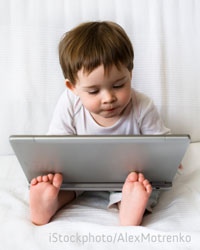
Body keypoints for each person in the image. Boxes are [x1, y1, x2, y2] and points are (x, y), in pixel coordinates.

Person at [30, 21, 171, 226]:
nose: (108, 98)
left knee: (146, 186)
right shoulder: (69, 104)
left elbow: (162, 144)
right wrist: (53, 174)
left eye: (118, 85)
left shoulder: (142, 106)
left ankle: (129, 206)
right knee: (60, 183)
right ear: (73, 87)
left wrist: (169, 157)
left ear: (130, 74)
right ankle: (50, 202)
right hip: (81, 176)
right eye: (94, 91)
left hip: (127, 178)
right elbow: (56, 146)